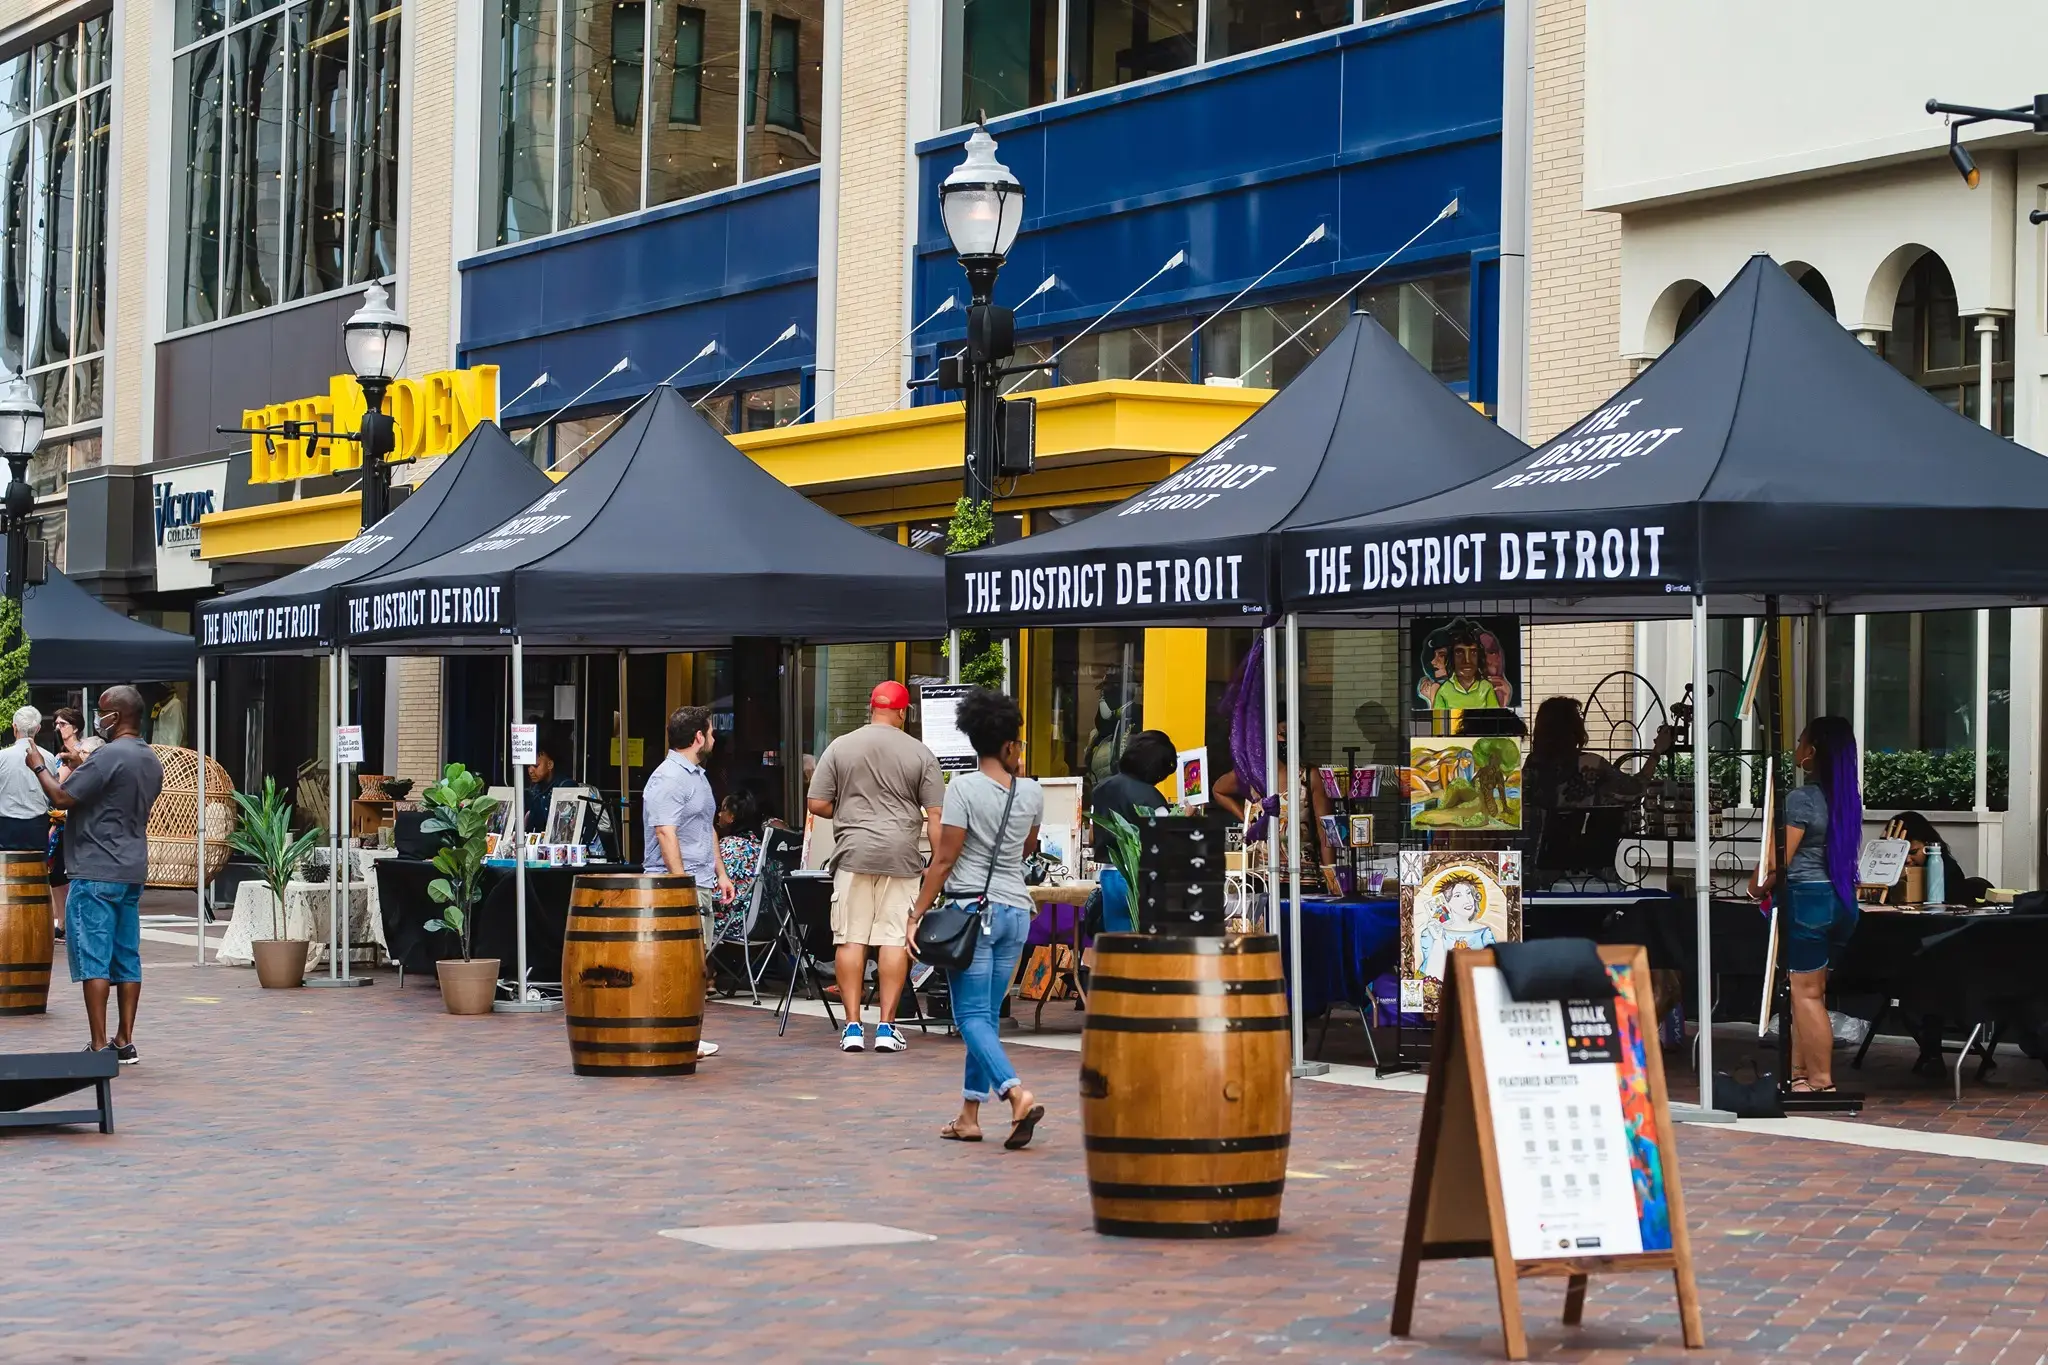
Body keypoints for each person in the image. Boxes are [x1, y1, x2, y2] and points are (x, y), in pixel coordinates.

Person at [908, 687, 1045, 1149]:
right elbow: (1027, 848)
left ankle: (1014, 1092)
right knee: (984, 1015)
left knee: (969, 1017)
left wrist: (917, 913)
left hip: (973, 912)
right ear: (1011, 744)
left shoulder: (963, 787)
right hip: (1015, 914)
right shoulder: (1031, 792)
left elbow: (944, 860)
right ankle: (968, 1115)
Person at [806, 680, 943, 1055]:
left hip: (853, 853)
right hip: (901, 855)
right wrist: (939, 861)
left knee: (850, 938)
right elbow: (935, 816)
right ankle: (886, 1026)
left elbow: (816, 803)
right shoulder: (920, 753)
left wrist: (850, 813)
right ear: (903, 712)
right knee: (894, 939)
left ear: (872, 708)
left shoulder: (840, 746)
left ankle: (852, 1027)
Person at [28, 687, 163, 1065]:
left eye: (102, 711)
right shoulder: (149, 758)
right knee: (126, 955)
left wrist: (38, 764)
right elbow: (119, 793)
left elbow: (62, 797)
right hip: (132, 868)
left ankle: (99, 1044)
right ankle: (125, 1040)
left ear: (116, 717)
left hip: (95, 867)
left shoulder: (107, 756)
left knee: (94, 957)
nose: (97, 717)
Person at [1749, 715, 1863, 1095]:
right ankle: (1799, 1076)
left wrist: (1755, 887)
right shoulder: (1846, 799)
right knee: (1811, 992)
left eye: (1800, 742)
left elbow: (1778, 861)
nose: (1796, 748)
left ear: (1812, 752)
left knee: (1806, 994)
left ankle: (1820, 1081)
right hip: (1841, 901)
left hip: (1807, 899)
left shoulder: (1802, 798)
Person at [643, 705, 729, 1059]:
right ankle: (670, 1033)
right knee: (674, 964)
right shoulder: (669, 778)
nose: (713, 737)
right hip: (674, 885)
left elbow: (705, 826)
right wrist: (680, 887)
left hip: (702, 880)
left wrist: (721, 873)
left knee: (693, 965)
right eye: (710, 732)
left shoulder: (696, 775)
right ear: (698, 738)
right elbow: (666, 832)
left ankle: (686, 1033)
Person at [1524, 696, 1674, 881]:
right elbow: (1635, 789)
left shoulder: (1532, 765)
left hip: (1536, 867)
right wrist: (1657, 751)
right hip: (1583, 870)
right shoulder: (1591, 765)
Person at [47, 707, 84, 939]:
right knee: (56, 872)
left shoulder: (79, 753)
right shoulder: (62, 752)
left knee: (66, 871)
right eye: (57, 724)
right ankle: (61, 921)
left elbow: (58, 783)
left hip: (73, 818)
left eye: (63, 724)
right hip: (59, 820)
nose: (59, 728)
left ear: (75, 727)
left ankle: (68, 920)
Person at [0, 705, 52, 855]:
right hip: (38, 826)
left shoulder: (2, 757)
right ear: (38, 729)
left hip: (5, 825)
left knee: (4, 872)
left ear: (14, 727)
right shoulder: (48, 757)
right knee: (37, 871)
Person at [713, 790, 762, 944]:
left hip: (733, 923)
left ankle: (708, 968)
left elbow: (715, 893)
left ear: (732, 817)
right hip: (763, 924)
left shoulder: (728, 847)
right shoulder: (760, 846)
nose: (719, 815)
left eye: (722, 809)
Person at [1430, 621, 1502, 712]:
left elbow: (1494, 719)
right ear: (1451, 658)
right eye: (1459, 653)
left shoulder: (1486, 688)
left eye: (1473, 653)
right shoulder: (1444, 691)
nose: (1467, 660)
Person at [523, 744, 562, 832]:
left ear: (550, 765)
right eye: (528, 766)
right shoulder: (534, 790)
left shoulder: (565, 787)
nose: (530, 771)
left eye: (536, 766)